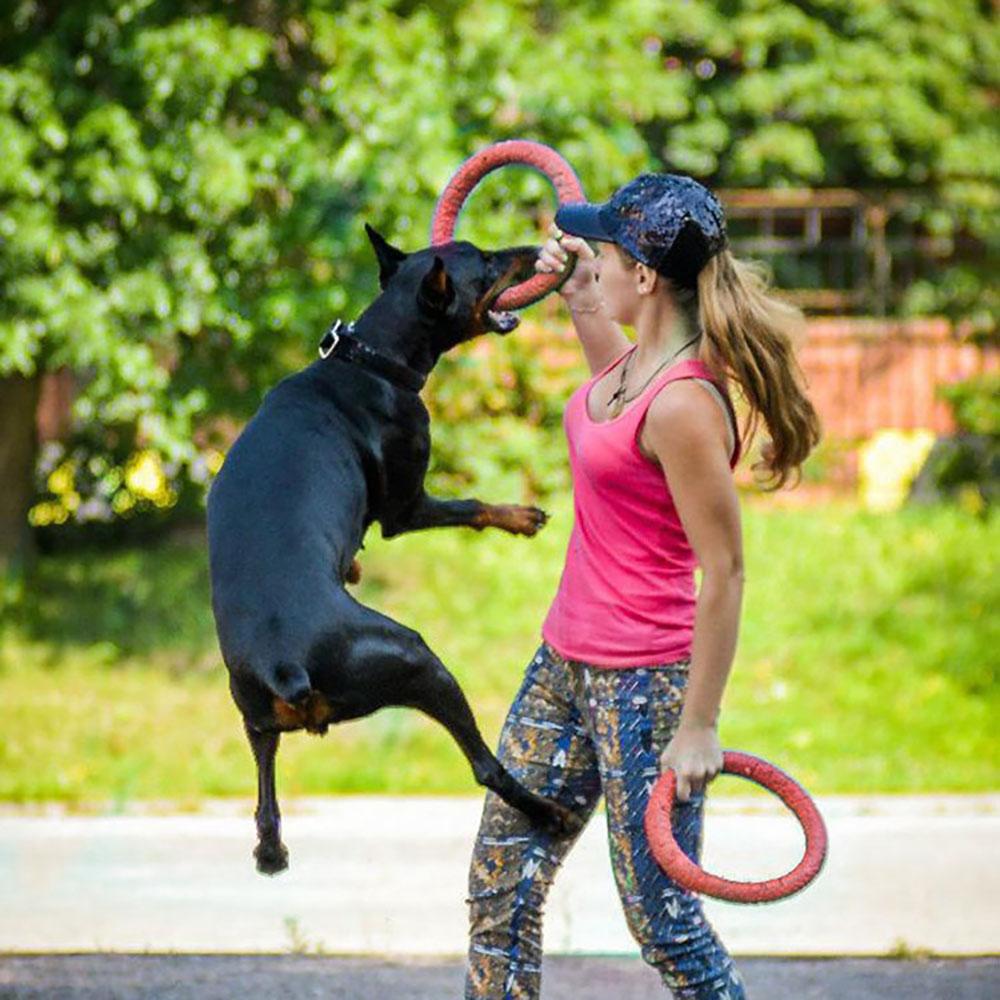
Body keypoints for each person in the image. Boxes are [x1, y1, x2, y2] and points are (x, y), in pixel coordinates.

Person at [463, 173, 822, 1000]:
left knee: (663, 924)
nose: (598, 258)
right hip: (562, 666)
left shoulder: (688, 402)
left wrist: (699, 725)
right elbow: (611, 426)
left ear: (648, 276)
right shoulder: (637, 373)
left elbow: (725, 571)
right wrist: (584, 296)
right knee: (499, 889)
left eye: (610, 251)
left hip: (643, 684)